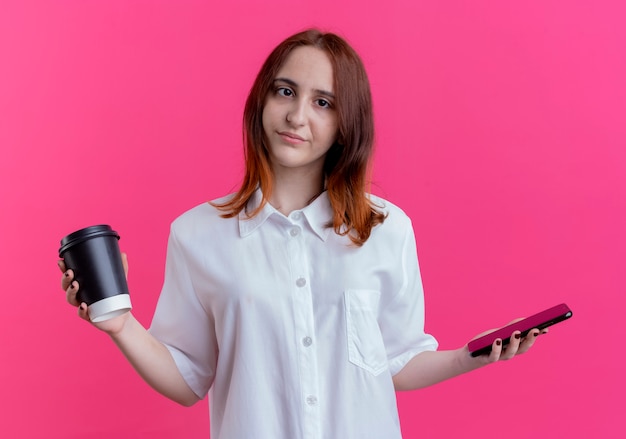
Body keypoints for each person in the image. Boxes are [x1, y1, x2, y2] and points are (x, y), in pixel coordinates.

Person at [59, 29, 544, 438]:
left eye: (323, 102)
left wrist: (468, 357)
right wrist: (121, 326)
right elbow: (187, 379)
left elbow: (396, 362)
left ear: (345, 123)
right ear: (262, 99)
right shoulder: (196, 235)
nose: (297, 117)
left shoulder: (387, 230)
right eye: (285, 92)